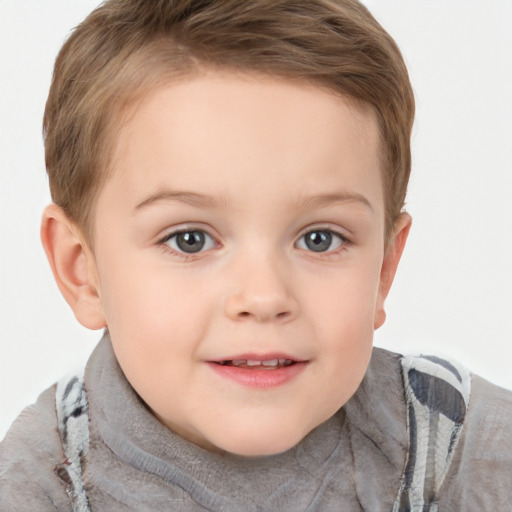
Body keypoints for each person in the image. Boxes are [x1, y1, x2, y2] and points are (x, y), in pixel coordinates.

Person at [1, 1, 510, 510]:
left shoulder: (464, 450)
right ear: (82, 270)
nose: (264, 297)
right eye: (189, 239)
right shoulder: (38, 487)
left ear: (383, 268)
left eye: (320, 238)